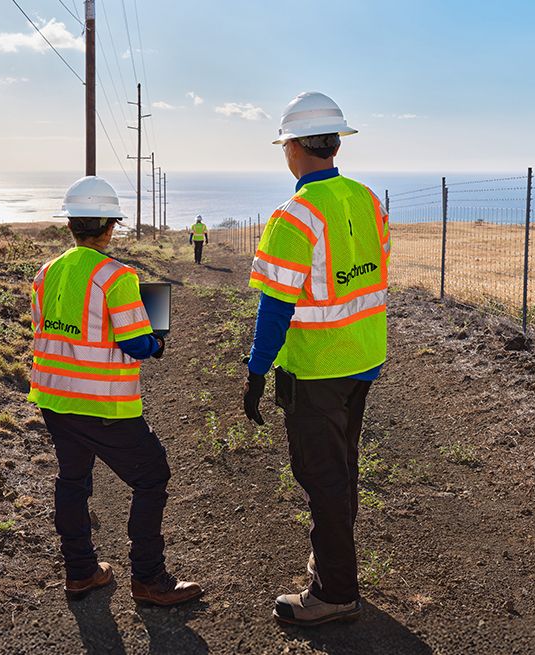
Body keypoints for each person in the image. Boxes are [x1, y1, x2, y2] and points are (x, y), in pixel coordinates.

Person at [241, 92, 389, 626]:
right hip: (364, 359)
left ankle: (334, 592)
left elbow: (275, 308)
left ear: (294, 147)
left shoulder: (294, 216)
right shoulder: (368, 200)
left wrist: (257, 372)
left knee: (321, 475)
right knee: (341, 468)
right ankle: (334, 562)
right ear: (333, 143)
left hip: (316, 369)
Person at [29, 175, 203, 607]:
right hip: (102, 403)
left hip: (54, 398)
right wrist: (156, 342)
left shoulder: (46, 272)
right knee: (152, 476)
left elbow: (44, 328)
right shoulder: (117, 276)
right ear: (110, 227)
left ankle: (81, 571)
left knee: (72, 480)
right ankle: (148, 578)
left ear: (70, 224)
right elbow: (135, 343)